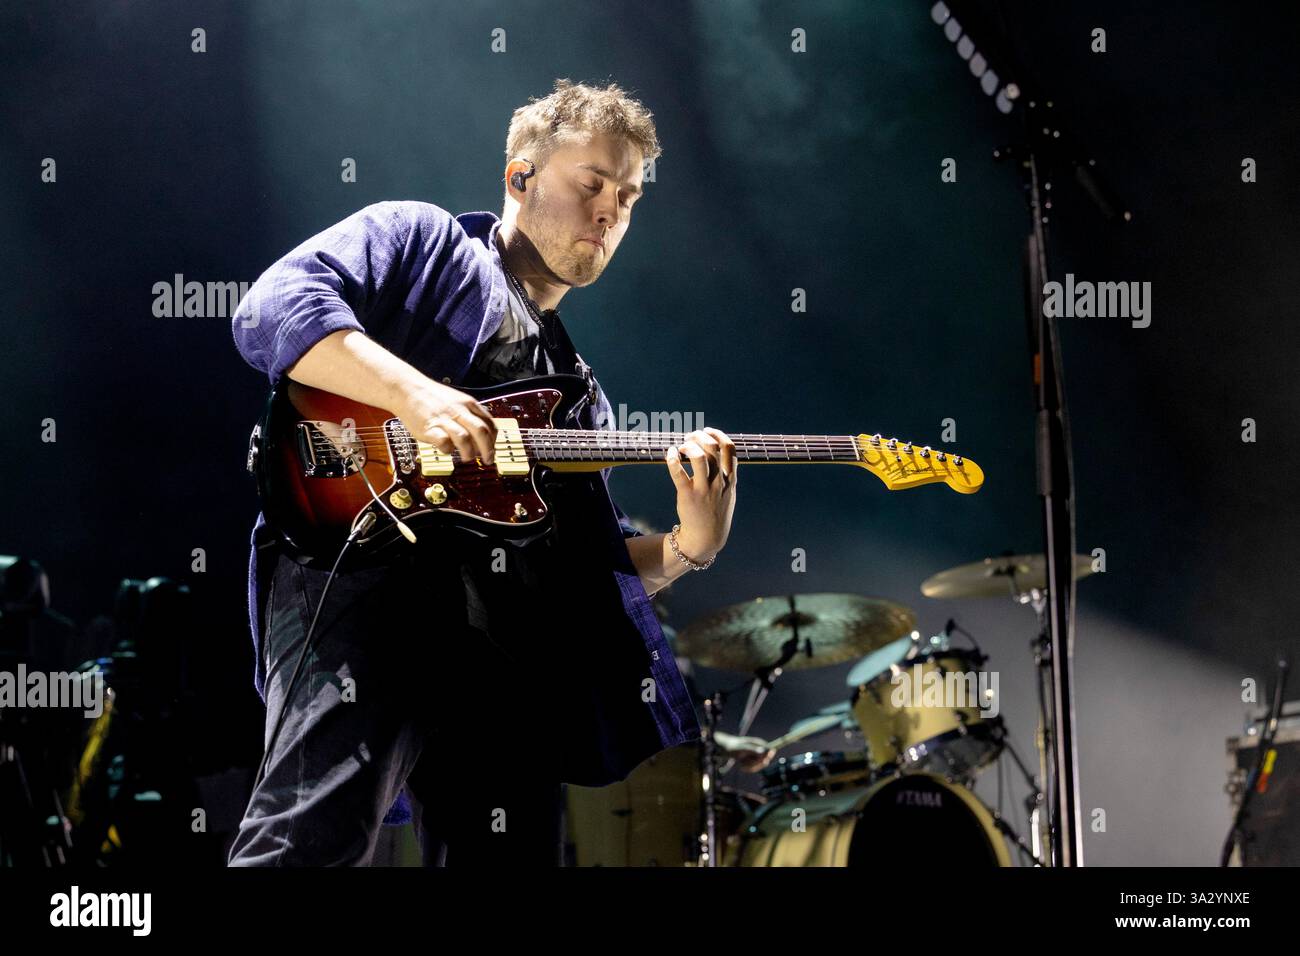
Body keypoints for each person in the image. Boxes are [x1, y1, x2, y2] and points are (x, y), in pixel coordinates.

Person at [226, 79, 739, 866]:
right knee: (311, 839)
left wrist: (688, 546)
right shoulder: (423, 242)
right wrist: (414, 395)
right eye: (593, 184)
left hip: (502, 654)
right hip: (360, 565)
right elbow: (273, 304)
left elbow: (583, 569)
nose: (611, 212)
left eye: (629, 199)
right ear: (521, 177)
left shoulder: (581, 399)